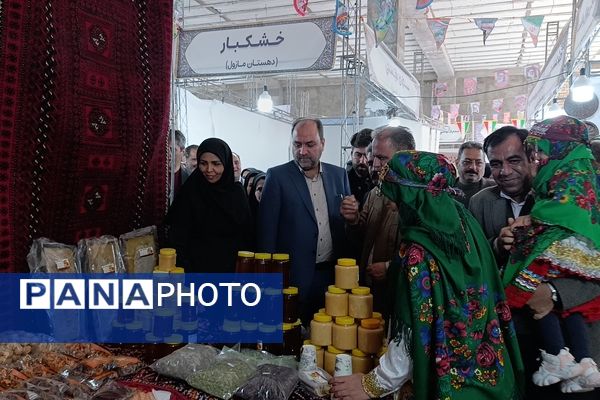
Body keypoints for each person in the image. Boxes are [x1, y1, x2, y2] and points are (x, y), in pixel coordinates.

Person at [331, 151, 523, 400]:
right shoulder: (464, 222)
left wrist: (371, 385)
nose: (391, 204)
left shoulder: (418, 252)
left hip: (446, 386)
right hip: (490, 372)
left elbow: (413, 331)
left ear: (411, 196)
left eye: (395, 197)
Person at [502, 116, 600, 394]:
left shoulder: (585, 190)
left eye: (520, 158)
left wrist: (553, 293)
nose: (535, 161)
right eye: (534, 154)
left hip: (588, 345)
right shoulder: (545, 189)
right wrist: (503, 243)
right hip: (528, 347)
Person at [258, 118, 350, 324]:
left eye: (310, 144)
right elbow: (266, 234)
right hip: (292, 279)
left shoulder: (339, 175)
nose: (302, 151)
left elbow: (344, 228)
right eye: (297, 144)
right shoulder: (278, 177)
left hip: (331, 279)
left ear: (323, 144)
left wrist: (352, 219)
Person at [341, 126, 415, 318]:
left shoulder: (421, 200)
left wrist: (391, 267)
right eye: (374, 158)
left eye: (382, 158)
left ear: (406, 158)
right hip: (369, 291)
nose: (374, 165)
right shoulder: (374, 194)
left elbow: (429, 253)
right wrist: (353, 220)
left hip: (404, 297)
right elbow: (362, 237)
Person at [163, 138, 253, 273]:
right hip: (194, 273)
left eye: (216, 164)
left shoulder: (236, 194)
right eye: (203, 163)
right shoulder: (191, 191)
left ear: (226, 164)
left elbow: (247, 237)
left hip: (230, 273)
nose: (209, 170)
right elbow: (177, 237)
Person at [469, 126, 534, 264]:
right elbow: (471, 255)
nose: (505, 171)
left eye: (514, 161)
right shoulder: (479, 202)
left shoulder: (550, 200)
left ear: (531, 158)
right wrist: (496, 245)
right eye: (496, 164)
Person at [455, 141, 495, 207]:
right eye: (467, 162)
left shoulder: (497, 190)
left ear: (484, 165)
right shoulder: (443, 191)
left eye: (478, 163)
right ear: (457, 163)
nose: (473, 167)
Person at [347, 129, 374, 209]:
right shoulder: (342, 180)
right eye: (358, 155)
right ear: (352, 154)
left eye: (366, 155)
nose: (362, 161)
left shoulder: (380, 180)